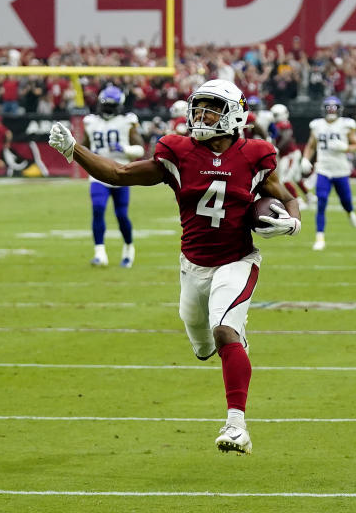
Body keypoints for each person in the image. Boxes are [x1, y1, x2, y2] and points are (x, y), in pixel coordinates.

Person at [47, 78, 301, 454]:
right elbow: (119, 174)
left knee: (225, 330)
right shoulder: (178, 151)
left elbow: (285, 196)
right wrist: (74, 150)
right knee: (202, 345)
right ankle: (228, 340)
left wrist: (292, 220)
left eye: (210, 108)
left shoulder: (256, 155)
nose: (200, 115)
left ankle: (236, 426)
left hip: (237, 260)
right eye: (198, 107)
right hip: (192, 266)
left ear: (232, 114)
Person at [82, 85, 146, 268]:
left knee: (121, 215)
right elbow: (85, 146)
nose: (108, 109)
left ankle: (128, 248)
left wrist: (124, 149)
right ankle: (99, 253)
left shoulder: (127, 121)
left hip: (121, 173)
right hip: (98, 174)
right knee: (98, 209)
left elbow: (140, 148)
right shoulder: (90, 122)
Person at [301, 96, 356, 251]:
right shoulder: (317, 125)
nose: (331, 111)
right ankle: (320, 237)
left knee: (346, 200)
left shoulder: (346, 125)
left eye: (334, 108)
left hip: (341, 169)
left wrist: (345, 148)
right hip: (323, 168)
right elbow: (311, 145)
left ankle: (349, 212)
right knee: (321, 201)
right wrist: (305, 159)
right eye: (329, 108)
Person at [269, 103, 309, 209]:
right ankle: (310, 197)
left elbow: (286, 138)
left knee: (285, 180)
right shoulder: (279, 124)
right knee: (297, 177)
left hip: (289, 155)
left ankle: (298, 201)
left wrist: (276, 147)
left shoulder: (283, 124)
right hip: (289, 154)